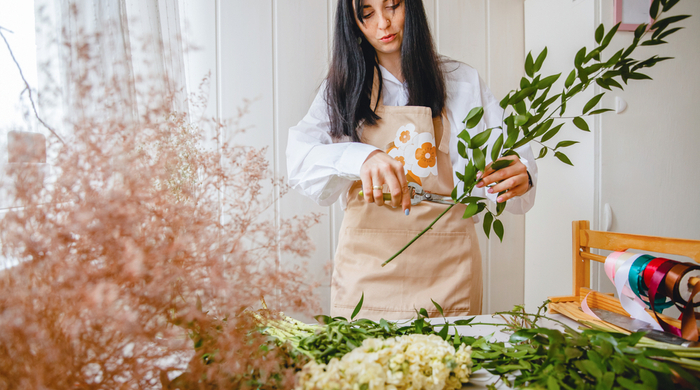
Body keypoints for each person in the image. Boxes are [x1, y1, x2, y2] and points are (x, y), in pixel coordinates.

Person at [287, 0, 537, 320]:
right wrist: (362, 158)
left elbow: (505, 157)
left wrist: (521, 172)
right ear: (353, 23)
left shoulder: (461, 80)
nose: (383, 23)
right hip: (368, 265)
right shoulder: (342, 89)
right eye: (367, 14)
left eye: (392, 6)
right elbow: (299, 160)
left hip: (449, 266)